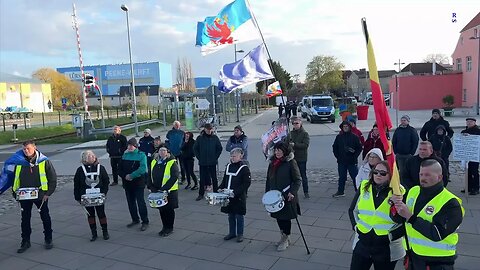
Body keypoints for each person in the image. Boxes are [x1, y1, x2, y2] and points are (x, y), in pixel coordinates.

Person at [391, 159, 464, 270]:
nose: (423, 178)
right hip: (413, 256)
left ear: (439, 177)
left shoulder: (451, 203)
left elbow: (437, 234)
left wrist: (410, 217)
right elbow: (399, 218)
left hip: (437, 261)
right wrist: (394, 206)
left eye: (427, 175)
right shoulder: (413, 191)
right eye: (421, 174)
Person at [348, 161, 405, 270]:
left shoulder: (399, 192)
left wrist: (390, 236)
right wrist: (356, 227)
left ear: (391, 175)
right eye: (376, 172)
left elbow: (404, 221)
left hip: (386, 247)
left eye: (383, 173)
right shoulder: (364, 186)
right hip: (363, 243)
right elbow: (352, 210)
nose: (378, 175)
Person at [12, 140, 57, 253]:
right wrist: (15, 193)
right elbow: (14, 178)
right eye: (24, 149)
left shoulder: (44, 161)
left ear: (34, 148)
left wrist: (48, 193)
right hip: (24, 195)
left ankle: (48, 238)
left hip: (40, 195)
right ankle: (25, 241)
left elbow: (52, 178)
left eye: (28, 148)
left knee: (45, 217)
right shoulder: (19, 161)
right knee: (25, 219)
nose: (26, 151)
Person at [265, 142, 301, 251]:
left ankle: (286, 237)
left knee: (285, 218)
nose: (277, 152)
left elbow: (297, 180)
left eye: (279, 150)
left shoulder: (290, 163)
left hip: (287, 196)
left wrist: (292, 192)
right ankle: (283, 236)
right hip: (274, 196)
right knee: (278, 217)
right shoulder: (272, 163)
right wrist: (267, 194)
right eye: (276, 150)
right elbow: (268, 180)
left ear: (284, 151)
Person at [73, 150, 110, 241]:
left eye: (93, 155)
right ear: (85, 159)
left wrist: (104, 192)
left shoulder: (100, 168)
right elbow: (76, 184)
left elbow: (106, 181)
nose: (92, 157)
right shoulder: (80, 170)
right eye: (89, 156)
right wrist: (77, 197)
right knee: (90, 215)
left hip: (99, 196)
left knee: (101, 214)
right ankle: (94, 233)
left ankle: (105, 231)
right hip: (86, 197)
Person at [219, 148, 251, 243]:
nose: (232, 158)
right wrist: (220, 188)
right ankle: (232, 233)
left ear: (240, 156)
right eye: (231, 156)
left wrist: (235, 192)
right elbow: (225, 180)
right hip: (228, 196)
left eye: (234, 156)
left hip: (238, 197)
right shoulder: (228, 166)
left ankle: (240, 234)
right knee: (230, 215)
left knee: (239, 215)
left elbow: (246, 183)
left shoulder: (244, 168)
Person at [148, 146, 179, 237]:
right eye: (160, 150)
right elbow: (149, 175)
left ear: (167, 152)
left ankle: (170, 228)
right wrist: (151, 186)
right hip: (157, 190)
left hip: (169, 191)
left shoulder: (172, 162)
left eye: (164, 150)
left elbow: (174, 176)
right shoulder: (154, 161)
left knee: (169, 210)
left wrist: (164, 188)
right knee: (161, 210)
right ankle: (164, 227)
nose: (161, 152)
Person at [119, 138, 149, 231]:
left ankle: (145, 221)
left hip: (138, 182)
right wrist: (125, 176)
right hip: (127, 182)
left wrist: (132, 175)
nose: (130, 147)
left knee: (140, 202)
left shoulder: (141, 155)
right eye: (129, 145)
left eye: (131, 145)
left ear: (135, 146)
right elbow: (119, 168)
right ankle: (135, 219)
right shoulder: (125, 155)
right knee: (131, 202)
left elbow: (143, 168)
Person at [332, 121, 363, 197]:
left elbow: (359, 148)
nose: (345, 128)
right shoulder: (339, 137)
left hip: (352, 161)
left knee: (355, 177)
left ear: (349, 127)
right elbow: (334, 147)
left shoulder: (354, 137)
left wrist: (354, 156)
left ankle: (358, 192)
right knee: (342, 177)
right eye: (344, 127)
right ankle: (340, 191)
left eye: (346, 126)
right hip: (341, 161)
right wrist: (338, 157)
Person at [193, 123, 223, 201]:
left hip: (212, 162)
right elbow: (195, 148)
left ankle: (216, 192)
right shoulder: (200, 138)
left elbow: (219, 148)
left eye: (210, 129)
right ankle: (201, 194)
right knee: (202, 179)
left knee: (214, 178)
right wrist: (199, 157)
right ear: (205, 129)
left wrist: (215, 157)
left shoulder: (215, 138)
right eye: (208, 129)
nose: (209, 130)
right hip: (203, 162)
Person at [285, 116, 310, 198]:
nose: (295, 125)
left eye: (297, 123)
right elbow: (286, 144)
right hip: (292, 158)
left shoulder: (305, 134)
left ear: (300, 123)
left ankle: (306, 192)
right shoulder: (290, 134)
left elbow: (305, 145)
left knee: (303, 175)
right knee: (291, 176)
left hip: (301, 158)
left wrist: (295, 145)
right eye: (293, 123)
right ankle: (292, 192)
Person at [461, 117, 480, 195]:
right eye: (468, 122)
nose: (469, 123)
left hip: (475, 154)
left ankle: (476, 188)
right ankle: (468, 187)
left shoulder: (478, 131)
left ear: (474, 123)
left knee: (474, 171)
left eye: (471, 122)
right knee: (467, 171)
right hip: (466, 154)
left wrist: (470, 137)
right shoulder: (464, 131)